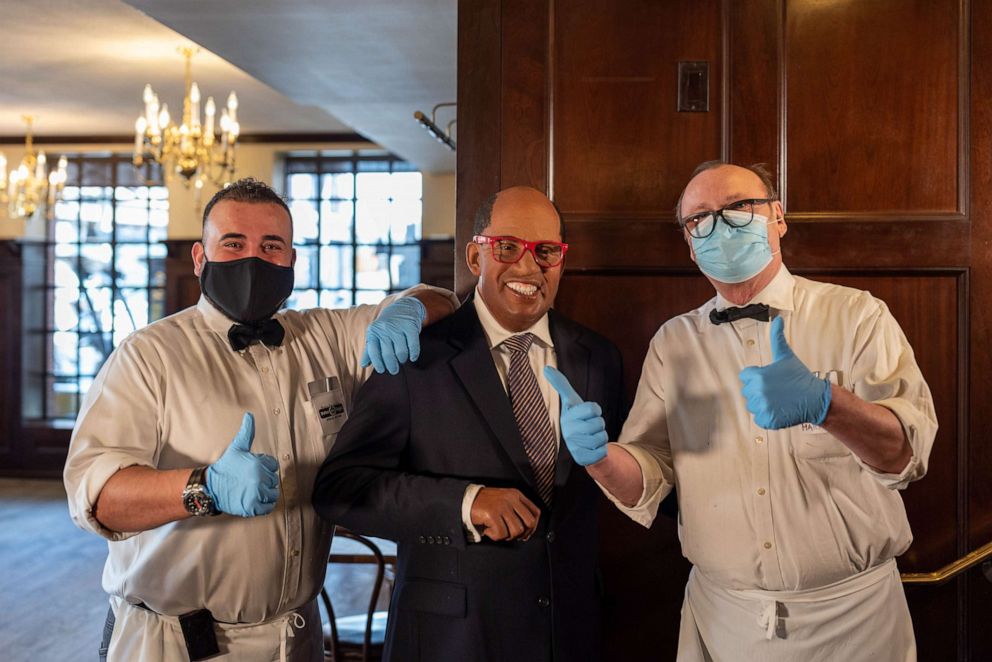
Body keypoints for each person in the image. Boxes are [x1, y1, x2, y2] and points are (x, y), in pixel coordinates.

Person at [547, 162, 938, 661]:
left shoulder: (858, 315)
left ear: (778, 217)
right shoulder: (673, 342)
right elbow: (649, 471)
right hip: (724, 620)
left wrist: (828, 405)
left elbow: (906, 455)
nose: (719, 224)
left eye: (739, 207)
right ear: (690, 244)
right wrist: (599, 459)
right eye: (700, 218)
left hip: (854, 621)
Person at [63, 177, 458, 662]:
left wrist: (411, 309)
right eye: (233, 243)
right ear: (199, 257)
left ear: (292, 260)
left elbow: (440, 297)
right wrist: (204, 488)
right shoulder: (147, 356)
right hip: (175, 643)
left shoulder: (325, 336)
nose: (253, 259)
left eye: (271, 246)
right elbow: (98, 498)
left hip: (297, 635)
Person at [311, 186, 625, 662]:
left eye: (545, 251)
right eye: (507, 247)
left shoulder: (599, 357)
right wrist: (465, 504)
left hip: (569, 631)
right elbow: (341, 490)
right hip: (449, 639)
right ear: (475, 256)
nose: (527, 266)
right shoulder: (415, 355)